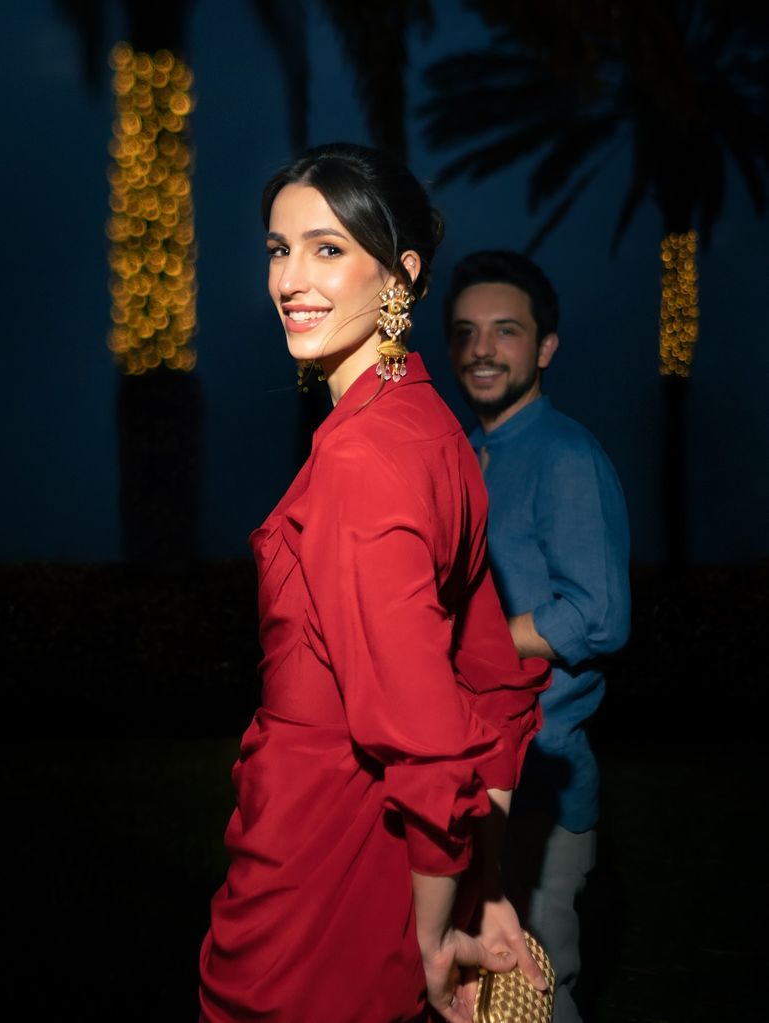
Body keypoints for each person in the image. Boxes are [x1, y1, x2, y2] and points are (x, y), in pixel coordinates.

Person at [198, 146, 552, 1023]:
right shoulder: (428, 424)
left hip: (311, 881)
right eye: (279, 249)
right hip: (383, 868)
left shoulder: (365, 456)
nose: (290, 277)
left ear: (399, 273)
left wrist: (441, 940)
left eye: (326, 248)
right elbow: (493, 683)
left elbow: (434, 735)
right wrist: (482, 887)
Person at [445, 250, 631, 1023]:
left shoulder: (563, 456)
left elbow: (596, 613)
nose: (482, 349)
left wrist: (469, 644)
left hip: (540, 781)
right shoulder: (464, 453)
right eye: (465, 333)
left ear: (544, 348)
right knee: (467, 998)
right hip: (468, 776)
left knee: (531, 995)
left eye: (506, 331)